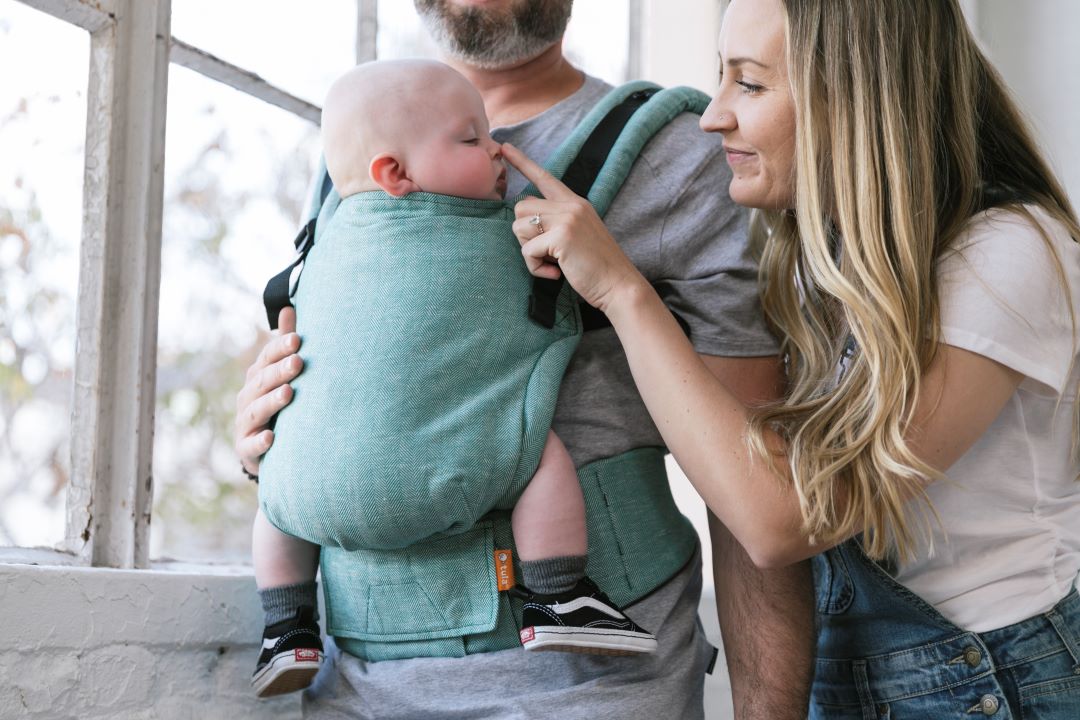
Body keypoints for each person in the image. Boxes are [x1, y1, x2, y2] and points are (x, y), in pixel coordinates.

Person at [235, 1, 815, 718]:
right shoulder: (346, 157)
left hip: (591, 690)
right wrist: (269, 432)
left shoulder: (676, 152)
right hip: (355, 684)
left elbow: (753, 482)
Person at [504, 0, 1080, 716]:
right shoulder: (811, 253)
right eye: (722, 79)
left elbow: (784, 520)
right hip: (849, 671)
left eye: (749, 85)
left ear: (860, 95)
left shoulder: (1006, 256)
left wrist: (623, 291)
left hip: (985, 679)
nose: (713, 117)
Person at [250, 58, 656, 699]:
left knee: (279, 492)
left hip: (314, 485)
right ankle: (559, 593)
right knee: (535, 450)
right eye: (472, 140)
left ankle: (286, 623)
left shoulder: (319, 251)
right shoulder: (504, 235)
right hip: (445, 470)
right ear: (395, 173)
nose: (499, 150)